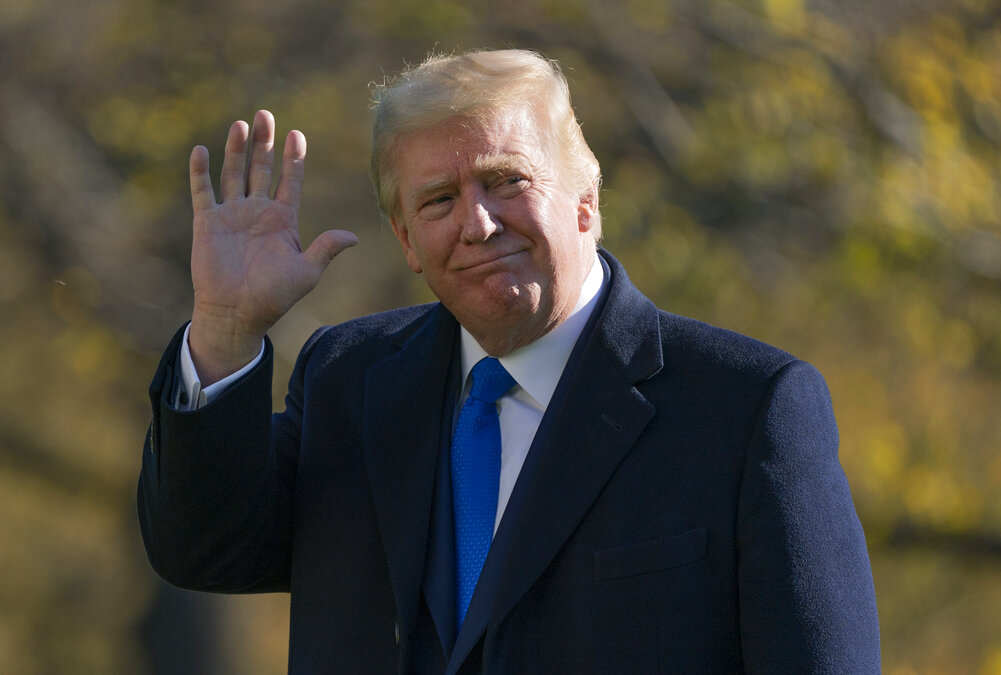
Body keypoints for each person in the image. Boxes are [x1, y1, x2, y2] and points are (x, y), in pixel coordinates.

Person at [138, 49, 880, 673]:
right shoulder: (349, 384)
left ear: (586, 199)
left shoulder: (748, 409)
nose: (478, 222)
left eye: (505, 180)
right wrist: (226, 330)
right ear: (406, 243)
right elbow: (206, 552)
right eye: (437, 201)